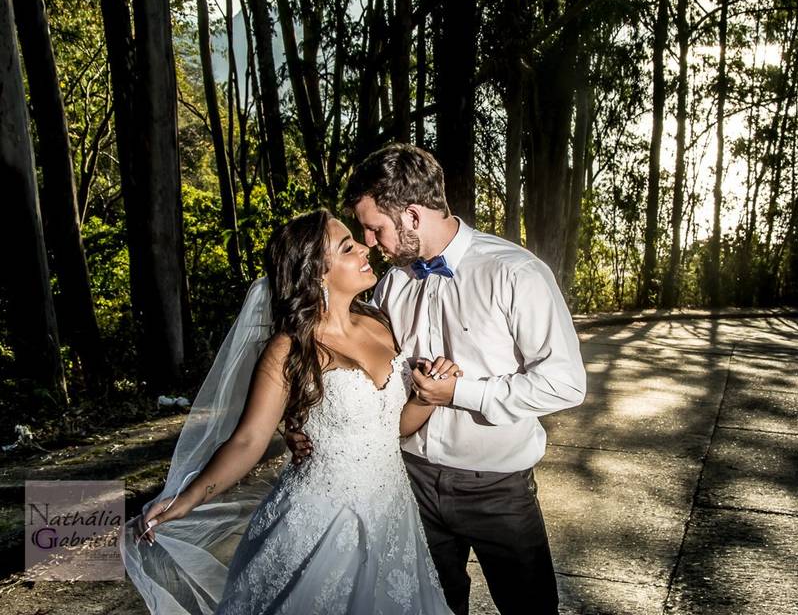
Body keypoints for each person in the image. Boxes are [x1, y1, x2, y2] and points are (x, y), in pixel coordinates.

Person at [286, 144, 587, 614]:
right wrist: (310, 427)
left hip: (497, 488)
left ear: (410, 215)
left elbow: (566, 382)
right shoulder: (391, 285)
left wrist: (460, 392)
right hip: (409, 483)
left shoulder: (516, 272)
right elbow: (350, 366)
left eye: (374, 227)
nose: (368, 241)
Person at [123, 209, 454, 615]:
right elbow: (248, 440)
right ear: (316, 272)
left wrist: (424, 399)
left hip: (392, 514)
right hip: (322, 521)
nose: (367, 248)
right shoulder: (289, 349)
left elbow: (391, 428)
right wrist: (184, 499)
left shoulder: (378, 323)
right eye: (348, 247)